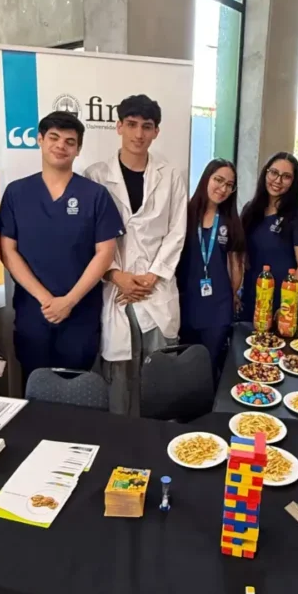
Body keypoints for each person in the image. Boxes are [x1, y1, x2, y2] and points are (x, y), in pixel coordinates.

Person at [0, 111, 124, 381]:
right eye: (53, 138)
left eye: (70, 141)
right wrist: (46, 300)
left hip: (80, 313)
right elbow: (7, 251)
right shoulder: (16, 193)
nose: (61, 146)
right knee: (35, 385)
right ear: (40, 140)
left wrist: (69, 301)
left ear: (78, 149)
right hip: (34, 311)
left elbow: (105, 253)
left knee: (78, 387)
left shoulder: (95, 195)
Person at [85, 94, 188, 415]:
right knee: (119, 380)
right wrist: (116, 275)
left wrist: (152, 276)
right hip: (116, 289)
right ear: (118, 126)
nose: (138, 134)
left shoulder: (170, 175)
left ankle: (158, 439)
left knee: (159, 379)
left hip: (156, 289)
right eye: (131, 124)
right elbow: (89, 236)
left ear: (156, 131)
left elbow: (177, 231)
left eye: (147, 126)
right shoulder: (95, 175)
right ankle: (122, 440)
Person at [176, 159, 244, 378]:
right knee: (186, 366)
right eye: (218, 180)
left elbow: (236, 263)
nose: (222, 189)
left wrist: (233, 294)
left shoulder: (230, 220)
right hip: (186, 303)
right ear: (206, 178)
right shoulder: (184, 214)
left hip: (218, 307)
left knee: (210, 365)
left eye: (229, 185)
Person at [240, 152, 298, 321]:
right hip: (251, 299)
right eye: (273, 173)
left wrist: (287, 305)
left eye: (286, 176)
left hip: (282, 305)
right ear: (265, 173)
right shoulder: (250, 210)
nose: (277, 180)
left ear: (294, 182)